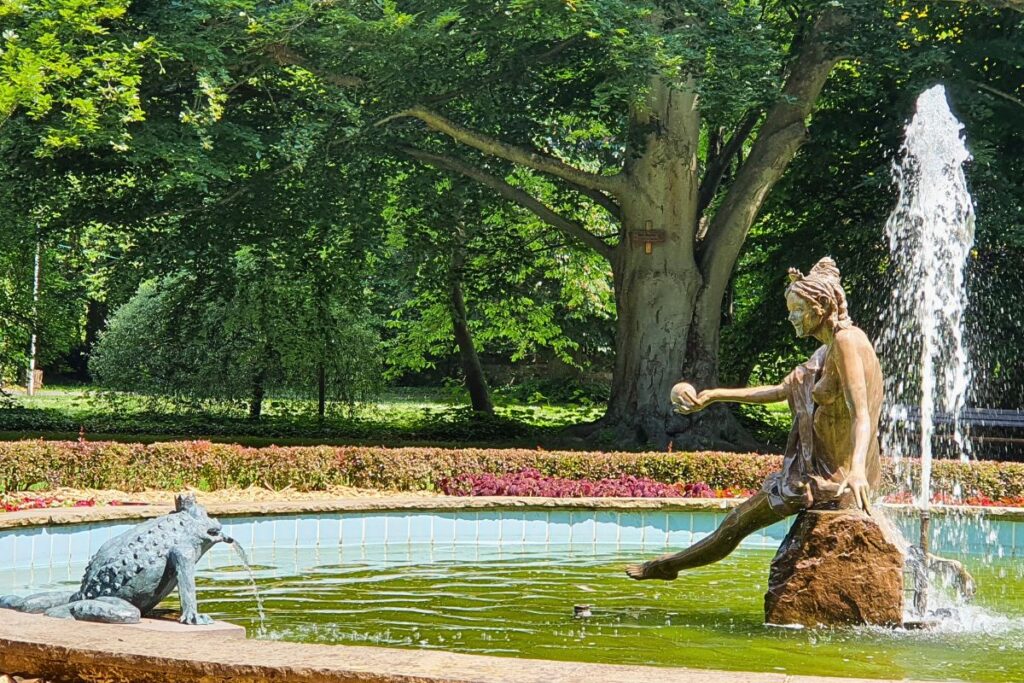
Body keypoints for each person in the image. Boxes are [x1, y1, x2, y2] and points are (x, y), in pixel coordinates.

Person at [626, 257, 883, 581]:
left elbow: (862, 414)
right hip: (829, 474)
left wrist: (857, 470)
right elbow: (780, 391)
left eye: (797, 309)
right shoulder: (828, 349)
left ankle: (666, 567)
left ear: (820, 307)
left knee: (736, 522)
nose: (791, 317)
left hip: (832, 480)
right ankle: (668, 566)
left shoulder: (846, 343)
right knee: (737, 522)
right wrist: (714, 395)